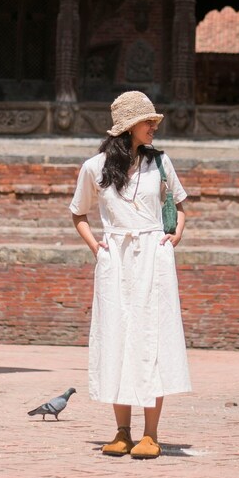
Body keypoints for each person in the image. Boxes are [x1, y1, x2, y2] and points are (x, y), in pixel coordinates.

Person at [69, 91, 192, 459]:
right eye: (147, 122)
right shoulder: (94, 168)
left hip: (154, 255)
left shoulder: (161, 163)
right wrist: (97, 247)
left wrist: (176, 235)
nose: (154, 127)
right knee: (117, 339)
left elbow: (182, 206)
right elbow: (78, 213)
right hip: (116, 259)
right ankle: (122, 431)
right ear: (127, 128)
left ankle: (150, 433)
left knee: (152, 339)